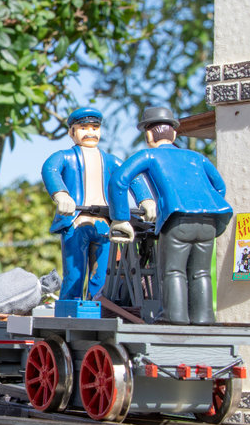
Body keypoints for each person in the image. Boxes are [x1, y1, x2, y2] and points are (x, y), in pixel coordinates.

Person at [109, 106, 233, 325]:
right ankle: (203, 317)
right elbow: (219, 187)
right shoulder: (197, 157)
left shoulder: (148, 155)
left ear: (148, 135)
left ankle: (174, 316)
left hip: (178, 219)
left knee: (173, 271)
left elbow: (119, 180)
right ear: (174, 134)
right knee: (201, 272)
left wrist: (120, 218)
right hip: (210, 220)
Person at [41, 107, 153, 301]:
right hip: (76, 221)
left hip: (103, 223)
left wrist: (145, 199)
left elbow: (131, 176)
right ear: (72, 132)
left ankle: (98, 305)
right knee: (74, 274)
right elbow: (50, 169)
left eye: (95, 128)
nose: (90, 132)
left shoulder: (110, 160)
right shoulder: (66, 157)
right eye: (84, 128)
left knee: (103, 275)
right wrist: (61, 194)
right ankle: (70, 307)